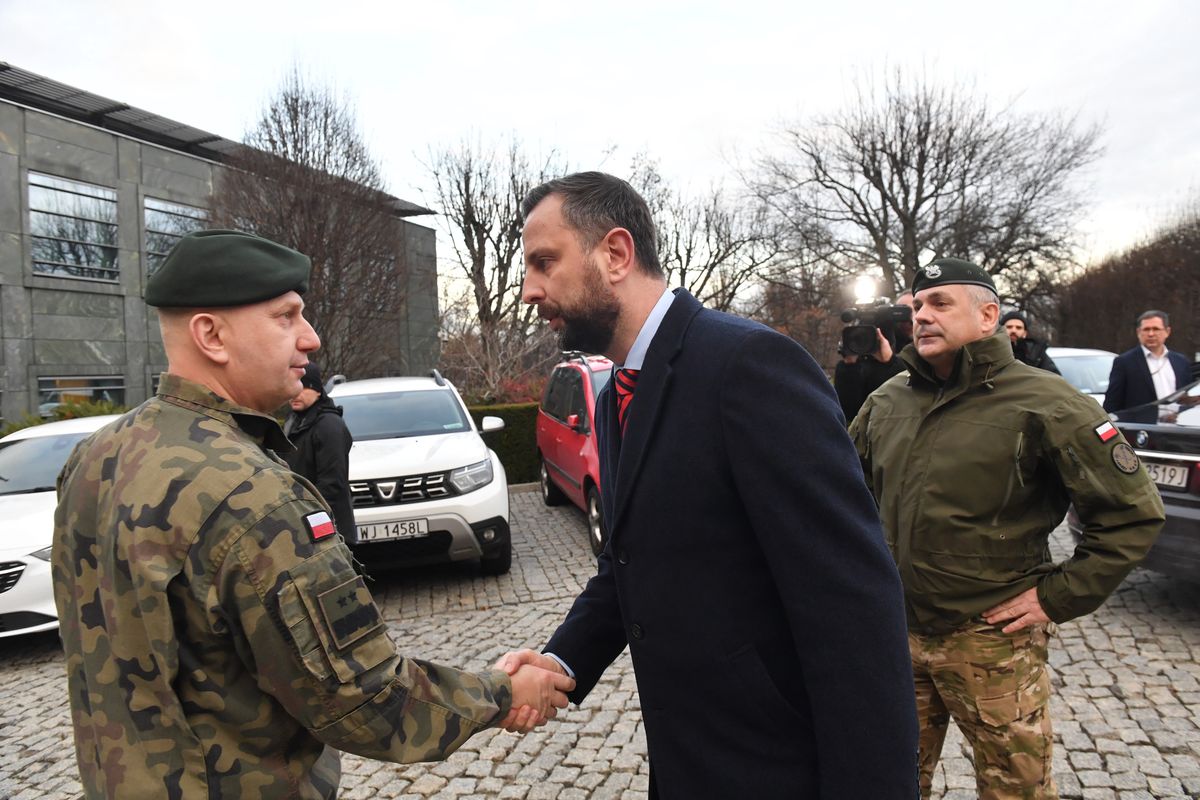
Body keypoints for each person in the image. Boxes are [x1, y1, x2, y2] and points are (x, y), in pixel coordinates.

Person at [51, 229, 572, 798]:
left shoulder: (96, 456)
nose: (311, 338)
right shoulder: (251, 494)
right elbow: (368, 699)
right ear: (211, 335)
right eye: (286, 316)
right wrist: (502, 692)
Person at [499, 172, 918, 798]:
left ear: (615, 254)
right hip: (693, 768)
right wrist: (562, 661)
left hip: (781, 772)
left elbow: (853, 604)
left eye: (543, 263)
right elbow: (629, 565)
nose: (530, 290)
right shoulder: (619, 393)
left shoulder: (749, 366)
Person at [849, 258, 1165, 799]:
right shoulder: (887, 402)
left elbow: (1132, 514)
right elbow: (841, 497)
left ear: (989, 315)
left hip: (991, 641)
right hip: (895, 636)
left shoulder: (1048, 403)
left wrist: (1057, 597)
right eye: (918, 305)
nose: (923, 316)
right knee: (885, 782)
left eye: (941, 304)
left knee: (1016, 790)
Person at [284, 361, 356, 544]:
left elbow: (332, 485)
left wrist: (304, 515)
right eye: (292, 387)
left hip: (327, 528)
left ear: (317, 390)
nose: (295, 394)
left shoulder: (328, 425)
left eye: (303, 387)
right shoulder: (296, 420)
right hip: (307, 523)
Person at [1103, 309, 1192, 414]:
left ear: (1167, 332)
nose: (1151, 334)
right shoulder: (1124, 363)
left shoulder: (1181, 362)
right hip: (1142, 428)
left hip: (1176, 427)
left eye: (1156, 329)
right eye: (1146, 329)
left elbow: (1187, 398)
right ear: (1138, 332)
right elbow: (1111, 404)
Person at [1001, 310, 1060, 374]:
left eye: (1018, 328)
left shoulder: (1036, 354)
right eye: (1009, 327)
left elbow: (1054, 378)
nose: (1014, 330)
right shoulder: (992, 351)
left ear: (1025, 333)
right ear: (1000, 330)